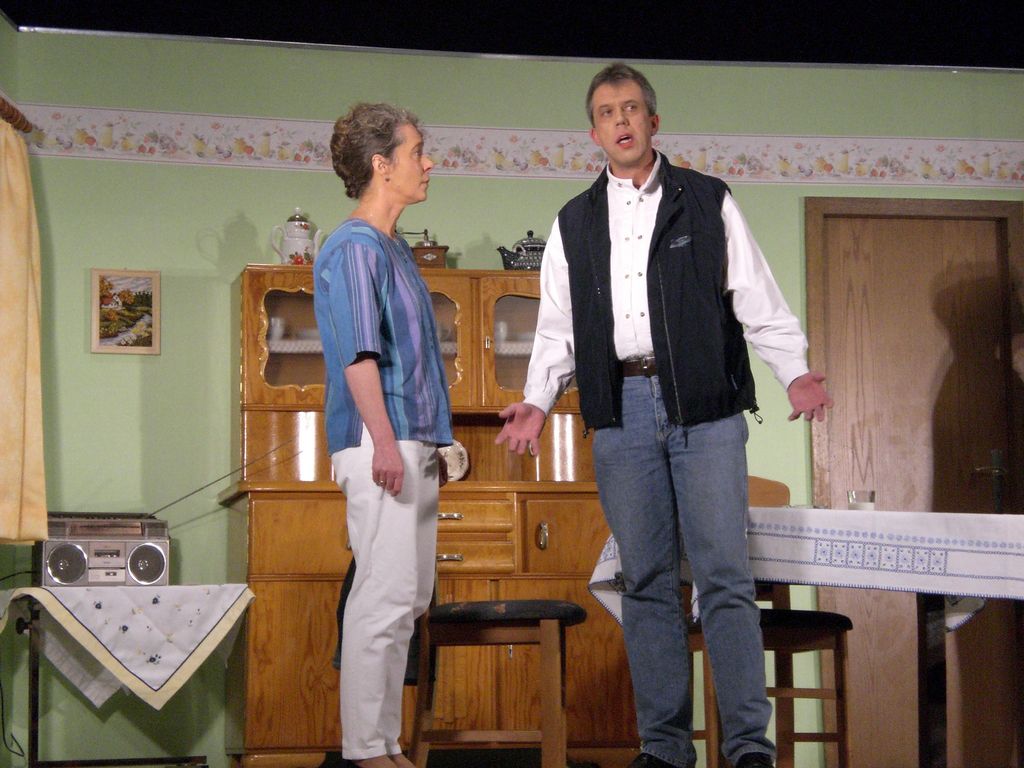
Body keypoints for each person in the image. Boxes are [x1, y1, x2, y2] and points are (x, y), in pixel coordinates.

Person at [495, 63, 832, 768]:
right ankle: (666, 748)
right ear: (594, 133)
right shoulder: (574, 222)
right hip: (620, 412)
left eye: (631, 108)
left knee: (724, 577)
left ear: (652, 121)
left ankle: (748, 748)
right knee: (646, 582)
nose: (620, 120)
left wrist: (795, 373)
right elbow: (557, 329)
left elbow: (756, 297)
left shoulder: (706, 200)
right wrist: (538, 399)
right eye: (606, 112)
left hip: (704, 408)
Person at [314, 102, 451, 768]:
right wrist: (389, 443)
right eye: (417, 151)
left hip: (409, 441)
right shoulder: (354, 247)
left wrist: (438, 441)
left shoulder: (394, 250)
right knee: (383, 594)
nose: (428, 162)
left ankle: (386, 744)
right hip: (379, 441)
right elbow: (359, 356)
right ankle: (367, 749)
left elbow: (416, 361)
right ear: (381, 164)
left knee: (408, 599)